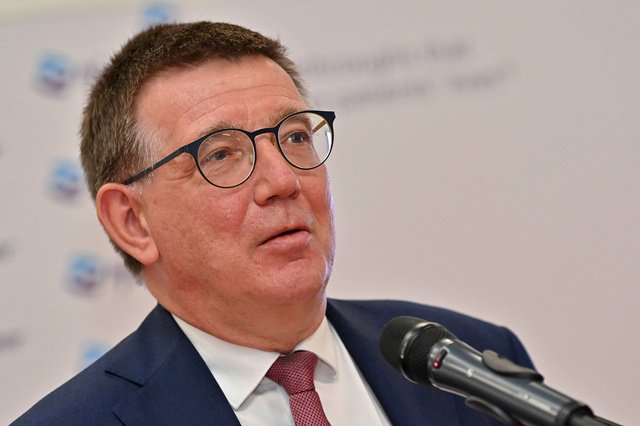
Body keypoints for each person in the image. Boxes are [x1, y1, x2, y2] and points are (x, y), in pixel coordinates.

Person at [13, 21, 533, 425]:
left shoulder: (470, 362)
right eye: (220, 155)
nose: (283, 180)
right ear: (133, 223)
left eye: (295, 137)